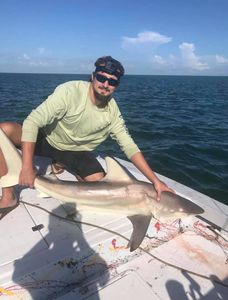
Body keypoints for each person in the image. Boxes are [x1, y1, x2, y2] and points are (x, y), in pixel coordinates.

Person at [0, 56, 174, 220]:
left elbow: (129, 147)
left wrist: (155, 181)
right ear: (93, 76)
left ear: (117, 85)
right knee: (3, 130)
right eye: (101, 77)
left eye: (112, 81)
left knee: (102, 186)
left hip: (76, 152)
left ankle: (60, 162)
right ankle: (9, 196)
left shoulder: (112, 113)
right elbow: (32, 122)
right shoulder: (70, 91)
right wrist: (27, 167)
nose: (105, 84)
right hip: (47, 138)